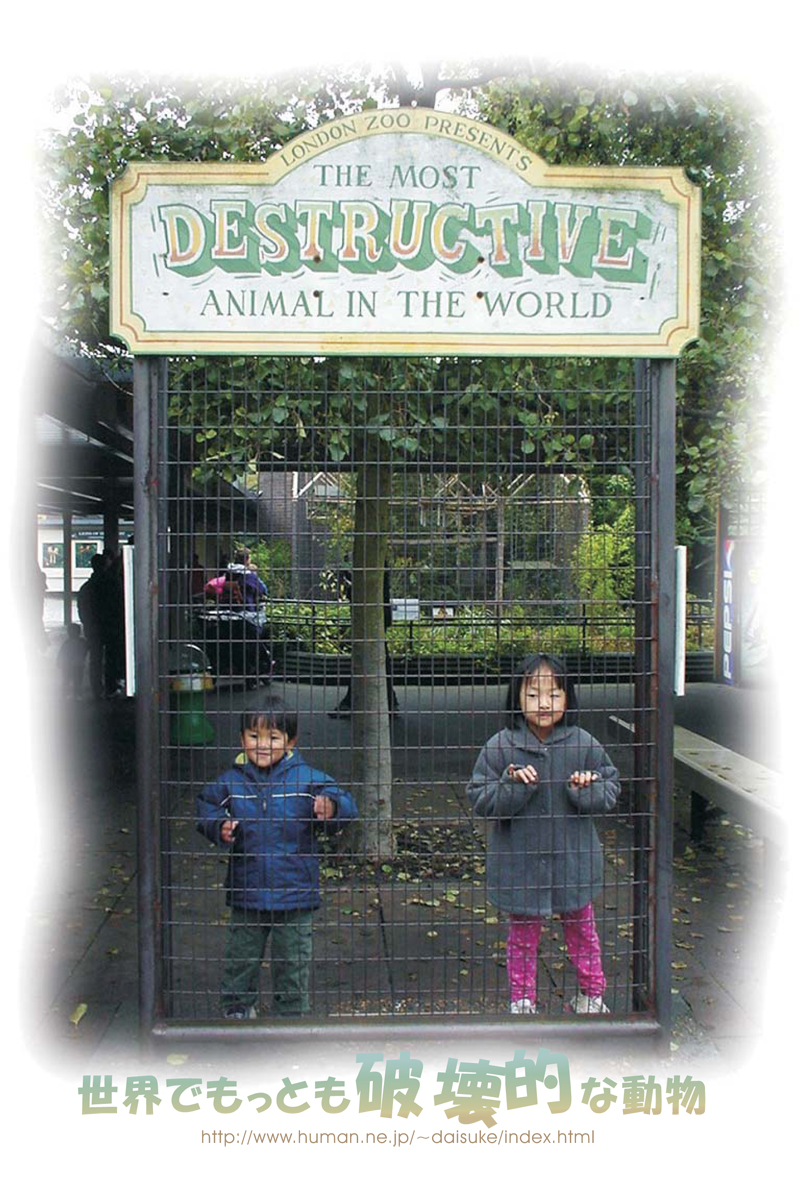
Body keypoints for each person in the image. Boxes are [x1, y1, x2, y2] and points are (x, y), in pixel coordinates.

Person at [467, 654, 620, 1016]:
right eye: (533, 694)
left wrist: (586, 789)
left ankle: (592, 996)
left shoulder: (584, 744)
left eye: (554, 694)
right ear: (517, 697)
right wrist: (512, 785)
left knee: (583, 933)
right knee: (522, 938)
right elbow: (480, 798)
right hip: (522, 868)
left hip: (573, 863)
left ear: (568, 697)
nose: (544, 704)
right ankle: (522, 1002)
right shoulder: (500, 746)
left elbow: (611, 788)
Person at [196, 696, 358, 1019]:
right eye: (254, 736)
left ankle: (291, 1015)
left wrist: (331, 807)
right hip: (247, 892)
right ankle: (237, 1010)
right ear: (242, 738)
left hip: (295, 894)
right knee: (240, 959)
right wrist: (218, 826)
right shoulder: (231, 782)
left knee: (292, 962)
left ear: (290, 741)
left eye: (273, 737)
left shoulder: (307, 779)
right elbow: (206, 806)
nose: (262, 745)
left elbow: (345, 803)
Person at [57, 623, 88, 697]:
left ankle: (65, 694)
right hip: (79, 664)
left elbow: (61, 653)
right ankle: (76, 694)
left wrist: (58, 662)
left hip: (68, 665)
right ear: (79, 632)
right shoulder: (82, 641)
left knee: (66, 680)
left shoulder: (67, 643)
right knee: (77, 681)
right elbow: (86, 650)